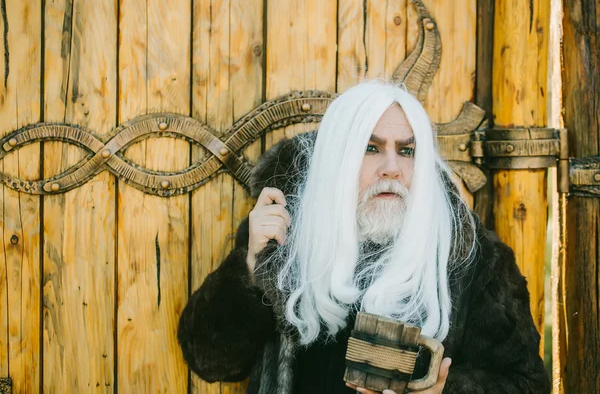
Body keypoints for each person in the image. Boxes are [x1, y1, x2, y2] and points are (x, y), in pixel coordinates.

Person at [177, 80, 551, 394]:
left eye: (407, 151)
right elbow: (211, 361)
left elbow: (526, 384)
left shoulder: (471, 256)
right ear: (338, 159)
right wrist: (248, 265)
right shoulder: (285, 235)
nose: (392, 168)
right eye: (371, 148)